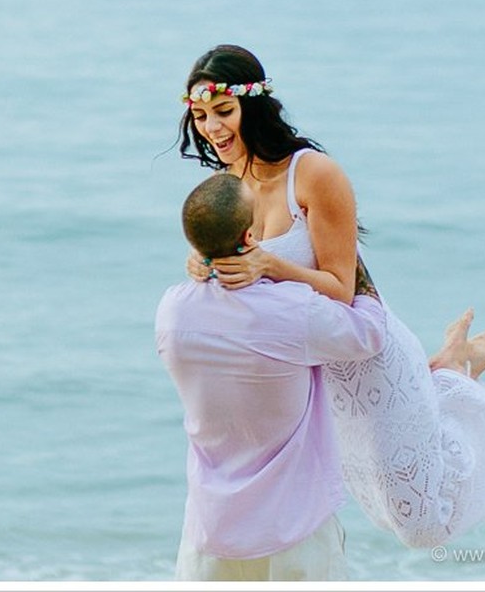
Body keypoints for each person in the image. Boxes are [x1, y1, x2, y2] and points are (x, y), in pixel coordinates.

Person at [177, 44, 485, 549]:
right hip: (315, 371)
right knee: (375, 507)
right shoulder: (226, 184)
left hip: (369, 351)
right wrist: (202, 266)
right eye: (200, 116)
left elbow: (341, 289)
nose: (212, 128)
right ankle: (446, 368)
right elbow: (244, 284)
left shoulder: (312, 174)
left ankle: (458, 370)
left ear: (255, 105)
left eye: (223, 112)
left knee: (422, 523)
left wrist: (271, 264)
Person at [155, 172, 389, 581]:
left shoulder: (172, 312)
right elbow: (369, 330)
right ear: (250, 237)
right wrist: (338, 257)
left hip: (209, 533)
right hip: (294, 530)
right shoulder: (292, 312)